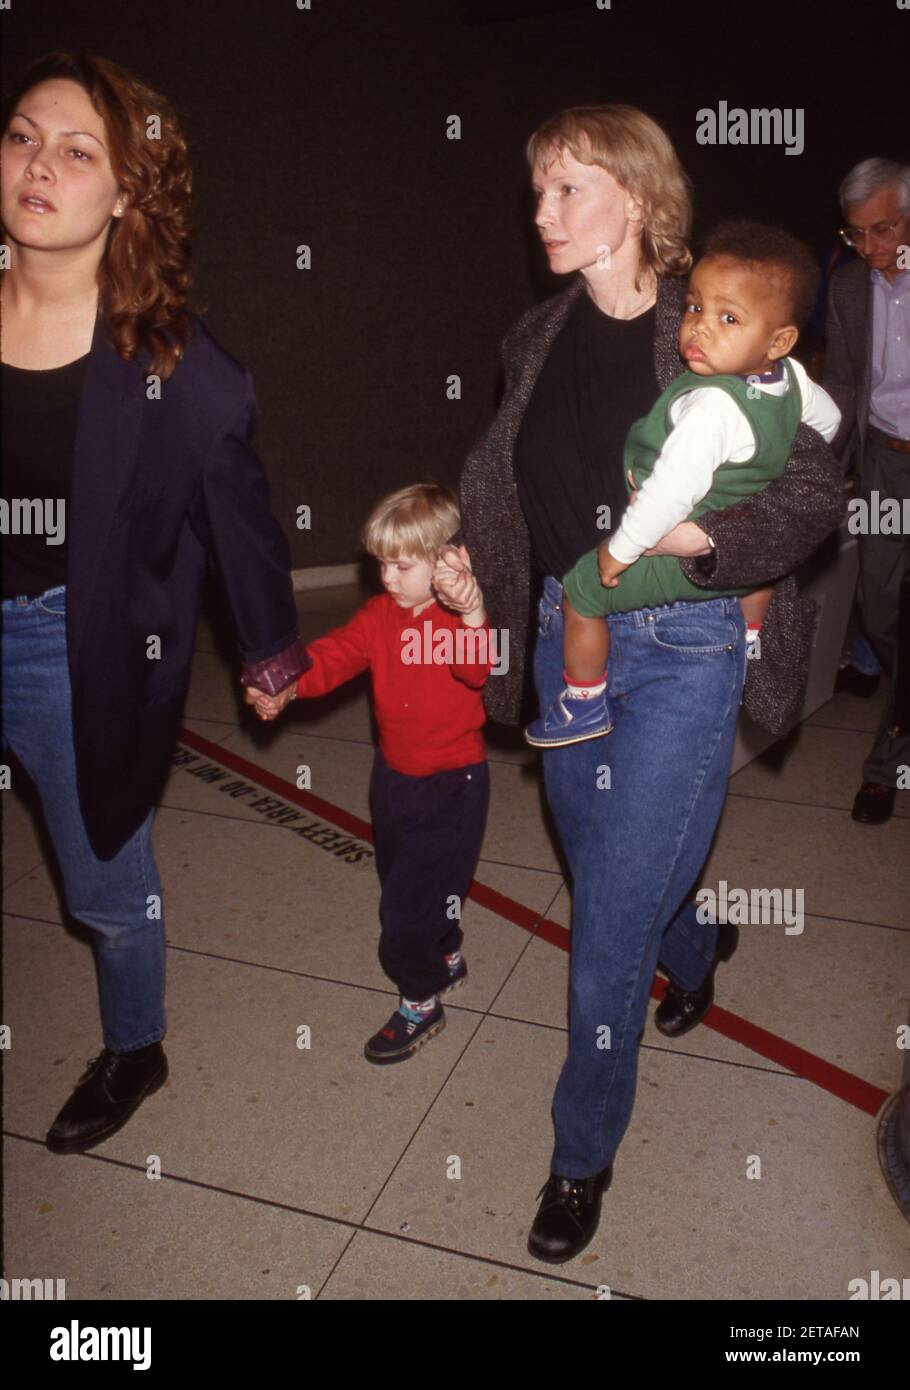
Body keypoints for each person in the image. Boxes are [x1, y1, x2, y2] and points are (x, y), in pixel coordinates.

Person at [455, 104, 844, 1264]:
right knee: (608, 863)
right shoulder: (535, 334)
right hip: (562, 634)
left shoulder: (720, 316)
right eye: (536, 192)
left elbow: (813, 487)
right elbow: (512, 484)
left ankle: (581, 1156)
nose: (542, 214)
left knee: (605, 915)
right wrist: (478, 575)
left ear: (634, 197)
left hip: (680, 642)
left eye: (565, 189)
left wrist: (699, 548)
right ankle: (699, 942)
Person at [0, 53, 309, 1154]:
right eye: (24, 136)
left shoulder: (173, 364)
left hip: (65, 645)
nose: (41, 165)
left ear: (127, 192)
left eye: (79, 151)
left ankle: (138, 1045)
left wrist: (271, 650)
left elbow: (240, 521)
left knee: (104, 879)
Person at [526, 222, 841, 747]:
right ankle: (748, 635)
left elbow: (668, 495)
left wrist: (619, 552)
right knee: (760, 576)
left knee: (581, 594)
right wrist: (764, 454)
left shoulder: (711, 406)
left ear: (779, 339)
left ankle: (582, 703)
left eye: (729, 318)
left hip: (673, 560)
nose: (699, 327)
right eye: (695, 308)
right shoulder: (790, 379)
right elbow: (827, 422)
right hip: (744, 569)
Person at [249, 484, 493, 1063]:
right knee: (405, 875)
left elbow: (479, 669)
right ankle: (447, 952)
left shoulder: (454, 624)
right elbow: (334, 655)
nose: (387, 577)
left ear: (447, 560)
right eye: (382, 562)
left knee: (405, 909)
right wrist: (287, 686)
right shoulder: (382, 615)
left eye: (401, 565)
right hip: (393, 778)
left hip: (451, 786)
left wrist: (473, 609)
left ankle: (421, 998)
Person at [823, 157, 910, 825]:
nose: (873, 248)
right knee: (879, 611)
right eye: (858, 234)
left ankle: (887, 763)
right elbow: (847, 387)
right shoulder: (849, 287)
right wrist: (824, 462)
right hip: (883, 461)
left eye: (884, 228)